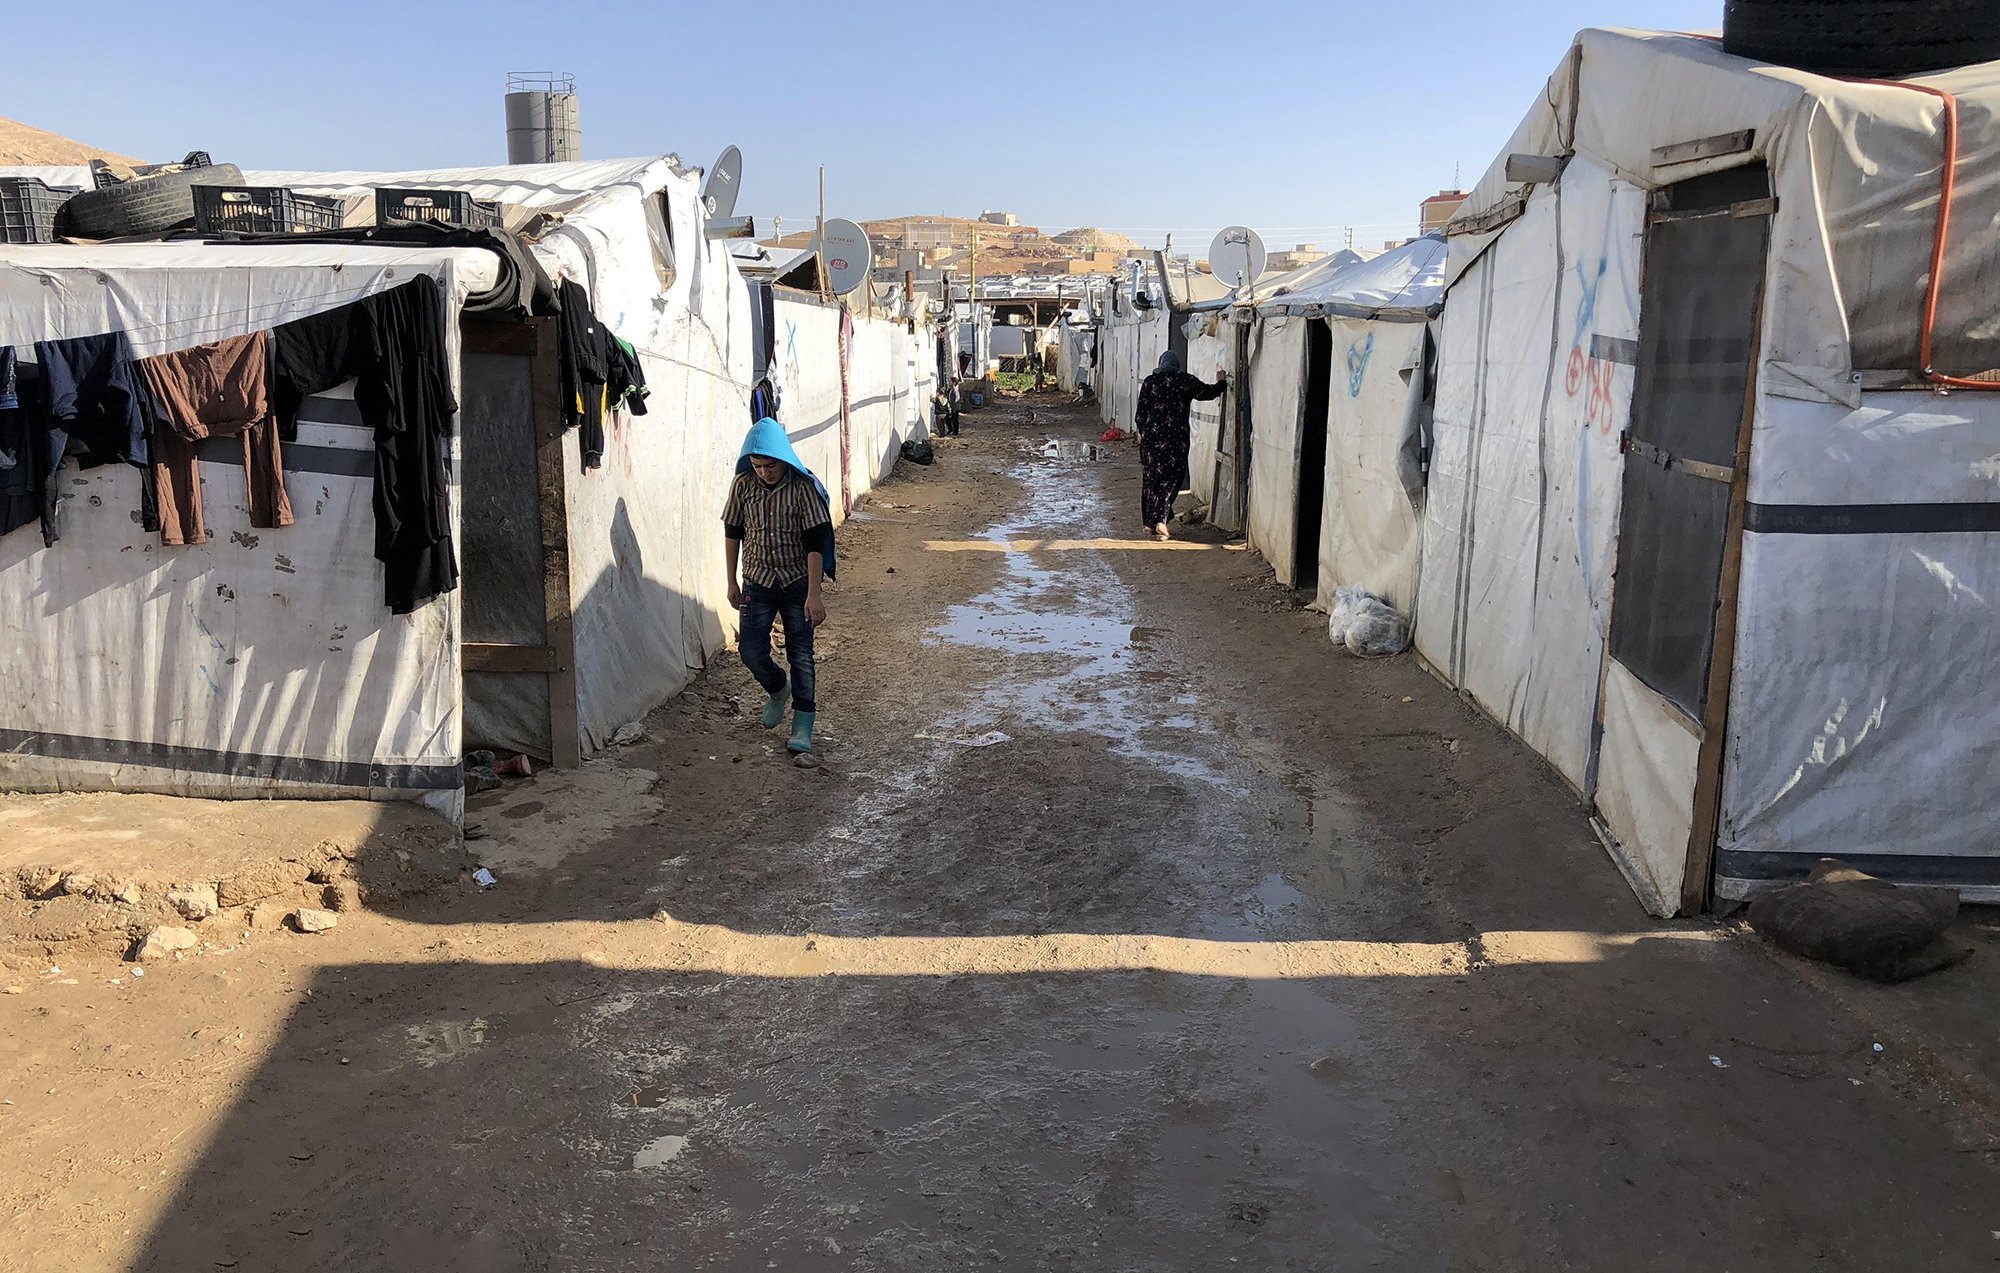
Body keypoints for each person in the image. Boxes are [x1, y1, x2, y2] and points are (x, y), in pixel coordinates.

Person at [724, 417, 835, 754]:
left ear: (782, 459)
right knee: (751, 651)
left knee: (801, 655)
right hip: (756, 581)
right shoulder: (743, 486)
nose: (764, 472)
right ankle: (777, 688)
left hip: (796, 582)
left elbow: (816, 542)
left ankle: (803, 724)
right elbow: (732, 531)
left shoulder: (803, 489)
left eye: (769, 465)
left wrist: (814, 594)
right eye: (757, 465)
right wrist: (731, 581)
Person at [1134, 350, 1226, 540]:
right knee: (1171, 480)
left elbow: (1140, 416)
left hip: (1152, 440)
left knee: (1152, 480)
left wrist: (1147, 434)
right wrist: (1222, 382)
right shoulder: (1184, 380)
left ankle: (1151, 522)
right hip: (1175, 441)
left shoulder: (1150, 382)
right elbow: (1208, 393)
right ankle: (1160, 522)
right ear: (1176, 364)